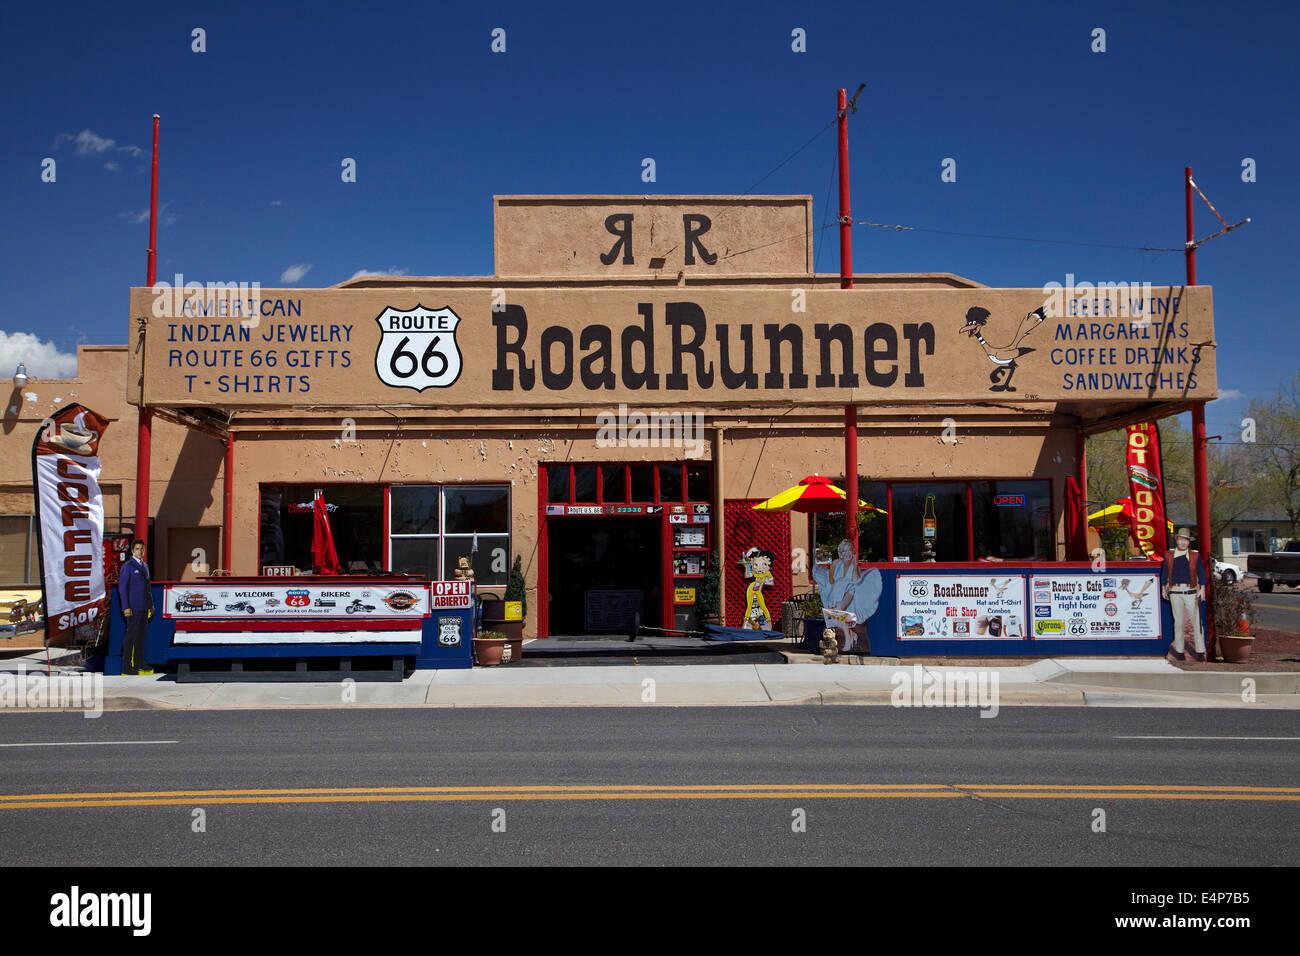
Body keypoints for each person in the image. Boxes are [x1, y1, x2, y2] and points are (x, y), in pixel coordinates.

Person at [1161, 527, 1206, 662]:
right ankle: (1179, 651)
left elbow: (1201, 572)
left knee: (1196, 621)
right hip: (1175, 591)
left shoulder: (1194, 555)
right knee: (1178, 622)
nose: (1183, 543)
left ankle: (1200, 651)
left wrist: (1202, 588)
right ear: (1177, 540)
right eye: (1181, 539)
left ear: (1188, 542)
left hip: (1190, 591)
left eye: (1185, 540)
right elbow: (1164, 572)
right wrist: (1164, 587)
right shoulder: (1169, 555)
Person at [118, 540, 154, 676]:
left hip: (144, 607)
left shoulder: (145, 566)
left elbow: (147, 588)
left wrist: (151, 605)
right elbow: (123, 588)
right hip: (133, 607)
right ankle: (126, 666)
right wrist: (125, 607)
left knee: (140, 637)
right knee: (130, 637)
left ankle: (139, 664)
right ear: (132, 551)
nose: (140, 551)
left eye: (142, 549)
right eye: (137, 549)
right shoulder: (127, 566)